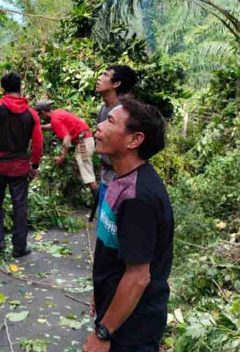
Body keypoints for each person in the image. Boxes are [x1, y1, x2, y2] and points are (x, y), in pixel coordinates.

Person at [82, 98, 173, 352]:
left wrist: (103, 333)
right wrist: (100, 292)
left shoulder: (139, 198)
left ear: (134, 140)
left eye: (110, 121)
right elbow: (112, 249)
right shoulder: (119, 181)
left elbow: (138, 277)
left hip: (133, 328)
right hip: (118, 312)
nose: (99, 126)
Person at [0, 72, 43, 258]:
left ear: (3, 88)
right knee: (20, 204)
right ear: (20, 88)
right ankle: (19, 247)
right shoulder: (32, 114)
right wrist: (34, 165)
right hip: (20, 166)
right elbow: (37, 143)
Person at [94, 65, 137, 219]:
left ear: (116, 84)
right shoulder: (102, 109)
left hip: (120, 180)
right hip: (106, 176)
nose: (99, 78)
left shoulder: (125, 112)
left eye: (105, 75)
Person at [34, 101, 97, 196]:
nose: (40, 117)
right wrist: (41, 127)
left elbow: (67, 137)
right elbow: (55, 125)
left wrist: (62, 156)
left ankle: (100, 203)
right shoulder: (57, 113)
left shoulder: (55, 120)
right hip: (85, 139)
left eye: (39, 115)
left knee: (89, 177)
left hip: (83, 142)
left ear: (42, 112)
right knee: (83, 171)